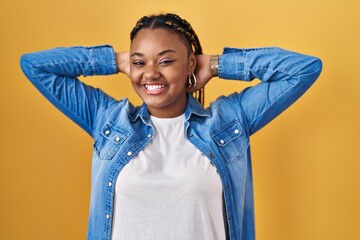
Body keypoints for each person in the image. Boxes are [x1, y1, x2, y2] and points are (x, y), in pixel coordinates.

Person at [20, 13, 322, 240]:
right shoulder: (107, 120)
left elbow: (304, 69)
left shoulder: (229, 121)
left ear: (191, 64)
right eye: (140, 63)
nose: (151, 74)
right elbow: (35, 65)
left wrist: (217, 65)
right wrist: (117, 60)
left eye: (165, 61)